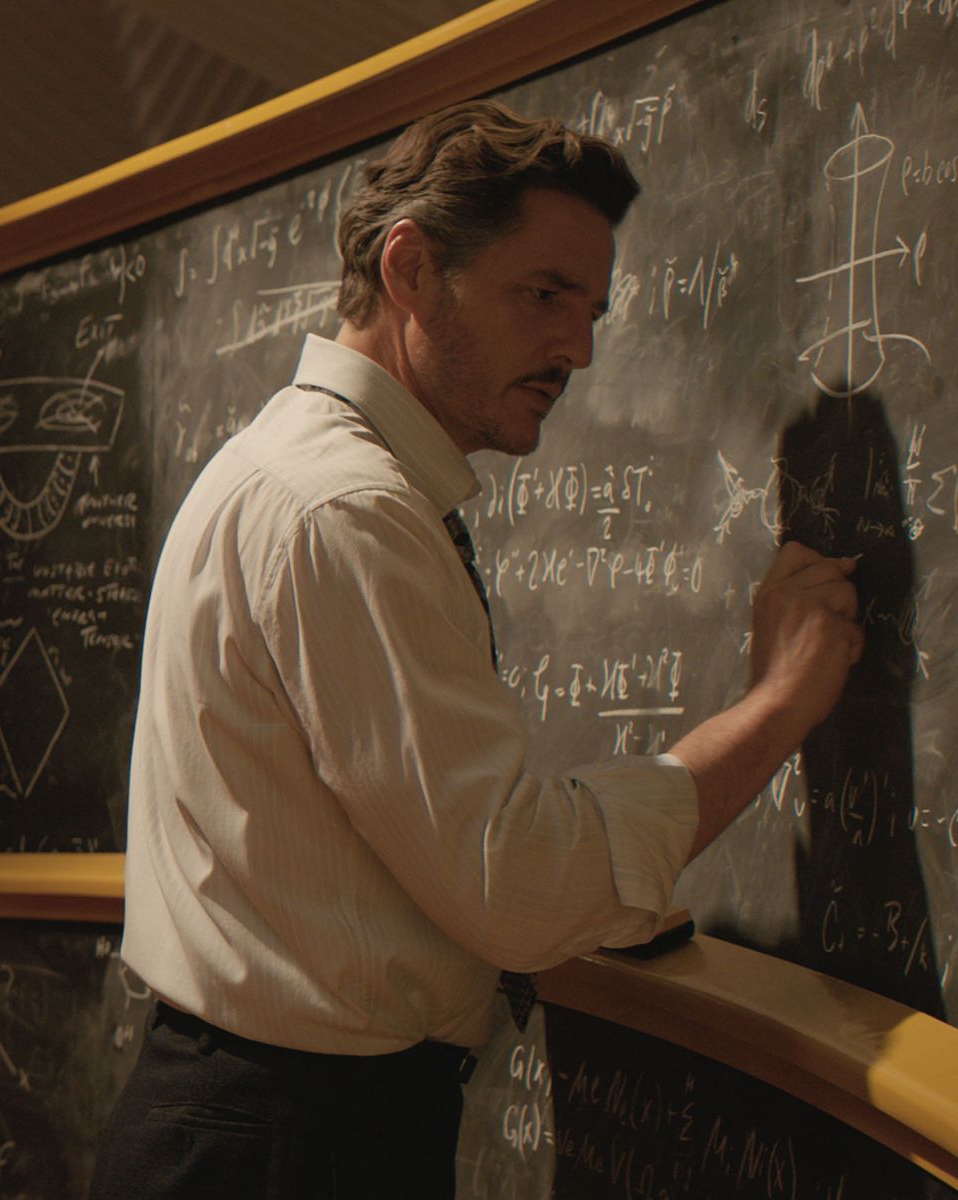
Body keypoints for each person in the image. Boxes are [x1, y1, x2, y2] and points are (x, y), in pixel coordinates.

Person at [90, 99, 863, 1199]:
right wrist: (779, 705)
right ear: (411, 269)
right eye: (544, 294)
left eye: (592, 311)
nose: (578, 350)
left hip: (262, 1124)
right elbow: (513, 885)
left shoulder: (292, 468)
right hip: (289, 1149)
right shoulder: (345, 508)